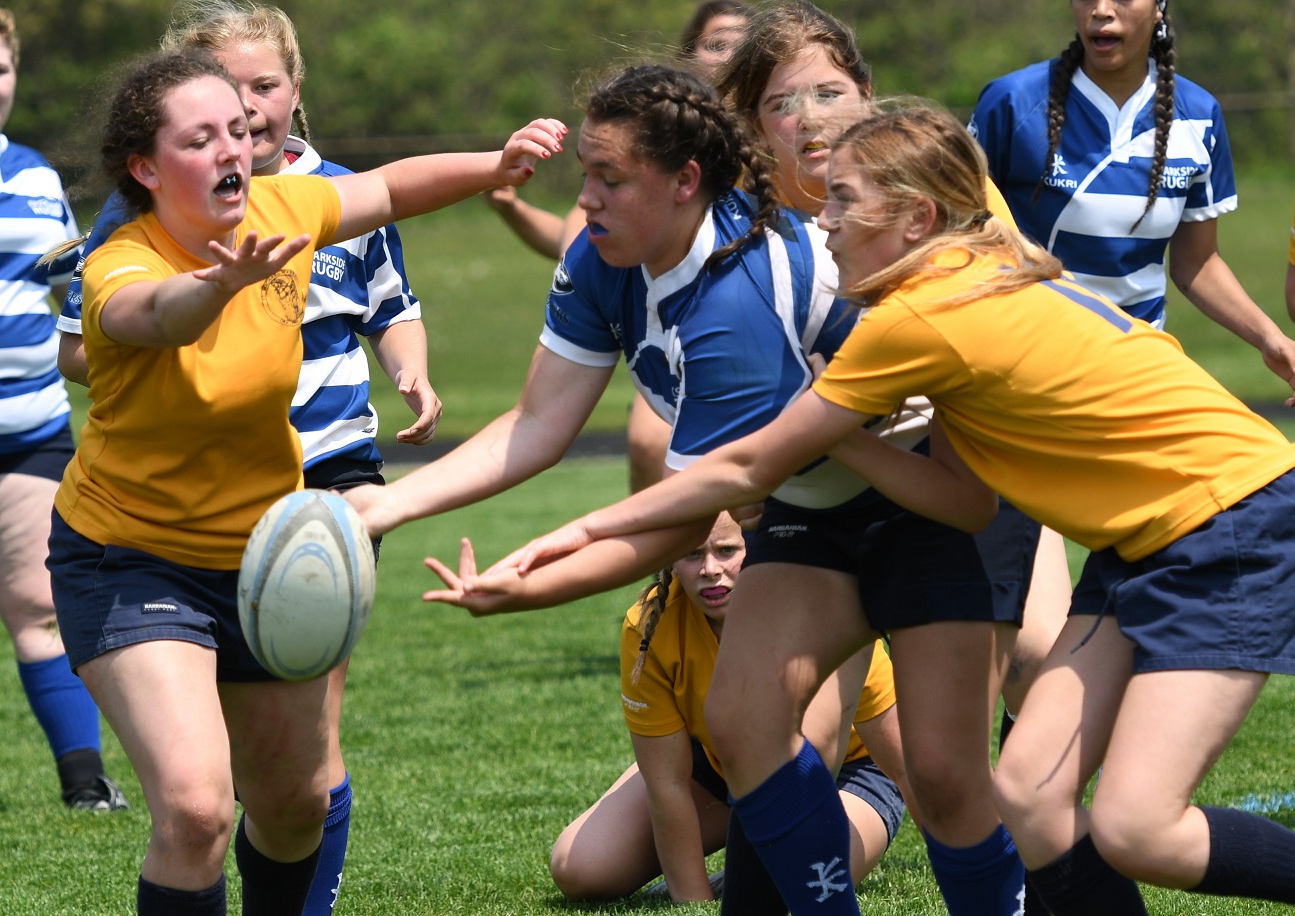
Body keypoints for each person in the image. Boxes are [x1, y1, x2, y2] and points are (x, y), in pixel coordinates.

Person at [498, 103, 1295, 914]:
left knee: (1137, 828)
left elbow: (744, 467)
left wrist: (582, 527)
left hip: (1228, 520)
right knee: (1028, 794)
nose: (825, 220)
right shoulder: (977, 268)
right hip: (1149, 541)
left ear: (918, 217)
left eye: (843, 200)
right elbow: (966, 503)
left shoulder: (916, 316)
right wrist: (841, 432)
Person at [45, 47, 562, 915]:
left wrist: (494, 165)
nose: (231, 152)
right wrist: (217, 286)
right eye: (200, 138)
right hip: (130, 559)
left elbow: (391, 190)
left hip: (262, 560)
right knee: (198, 809)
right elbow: (153, 315)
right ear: (144, 166)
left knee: (292, 808)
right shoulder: (122, 260)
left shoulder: (286, 207)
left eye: (240, 133)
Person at [711, 5, 1065, 911]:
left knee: (953, 768)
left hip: (952, 477)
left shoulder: (924, 181)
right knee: (767, 727)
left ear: (867, 94)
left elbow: (1027, 284)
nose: (814, 118)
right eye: (784, 104)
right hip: (823, 494)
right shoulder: (740, 234)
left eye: (832, 91)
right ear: (756, 130)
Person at [426, 515, 910, 907]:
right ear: (669, 561)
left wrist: (955, 834)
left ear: (759, 546)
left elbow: (900, 758)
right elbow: (669, 784)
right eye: (692, 553)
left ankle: (746, 867)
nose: (710, 570)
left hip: (849, 774)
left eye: (727, 550)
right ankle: (711, 856)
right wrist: (694, 903)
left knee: (798, 877)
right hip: (716, 766)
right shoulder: (651, 624)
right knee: (579, 868)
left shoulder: (819, 610)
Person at [0, 0, 126, 812]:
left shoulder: (38, 174)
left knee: (41, 608)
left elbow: (71, 281)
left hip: (31, 429)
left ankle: (86, 784)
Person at [485, 2, 754, 495]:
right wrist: (512, 208)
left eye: (740, 44)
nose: (728, 55)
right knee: (658, 459)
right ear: (689, 55)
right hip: (664, 337)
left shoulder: (764, 229)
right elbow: (575, 243)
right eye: (715, 44)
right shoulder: (629, 170)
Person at [970, 0, 1295, 393]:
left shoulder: (1199, 115)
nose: (1102, 9)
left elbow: (1197, 264)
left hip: (1139, 369)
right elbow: (959, 240)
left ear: (1159, 8)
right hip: (1025, 364)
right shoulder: (1010, 103)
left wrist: (1270, 338)